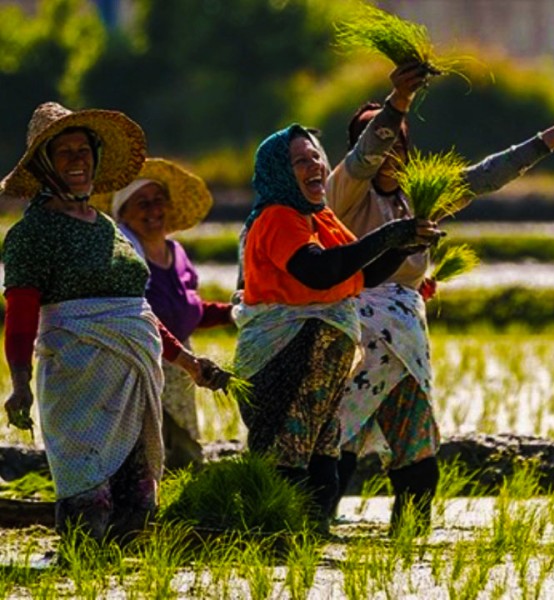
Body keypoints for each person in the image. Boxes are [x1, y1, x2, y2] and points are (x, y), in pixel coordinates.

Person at [326, 62, 554, 534]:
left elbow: (486, 176)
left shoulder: (420, 198)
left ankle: (408, 543)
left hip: (406, 344)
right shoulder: (346, 192)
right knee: (337, 443)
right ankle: (312, 531)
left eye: (398, 142)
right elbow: (368, 154)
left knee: (417, 455)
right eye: (378, 141)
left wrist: (550, 140)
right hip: (355, 338)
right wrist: (398, 103)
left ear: (410, 150)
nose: (389, 150)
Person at [1, 102, 230, 544]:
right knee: (90, 498)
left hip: (133, 379)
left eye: (83, 150)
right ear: (45, 164)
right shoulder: (32, 234)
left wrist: (187, 362)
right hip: (78, 379)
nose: (76, 160)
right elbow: (22, 312)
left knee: (137, 501)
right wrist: (19, 381)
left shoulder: (108, 228)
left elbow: (136, 312)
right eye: (63, 152)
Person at [233, 123, 442, 532]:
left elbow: (363, 275)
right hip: (284, 359)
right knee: (287, 464)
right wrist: (387, 235)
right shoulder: (279, 217)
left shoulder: (322, 218)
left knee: (322, 470)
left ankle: (305, 554)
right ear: (278, 170)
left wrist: (403, 246)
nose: (313, 166)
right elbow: (319, 271)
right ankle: (276, 550)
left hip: (322, 375)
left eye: (315, 157)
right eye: (299, 161)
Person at [91, 158, 233, 469]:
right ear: (122, 214)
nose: (153, 210)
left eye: (158, 201)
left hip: (181, 364)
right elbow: (135, 314)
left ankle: (173, 504)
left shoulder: (177, 252)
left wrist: (231, 313)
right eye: (142, 203)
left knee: (182, 446)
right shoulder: (124, 257)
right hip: (143, 364)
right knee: (147, 449)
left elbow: (188, 310)